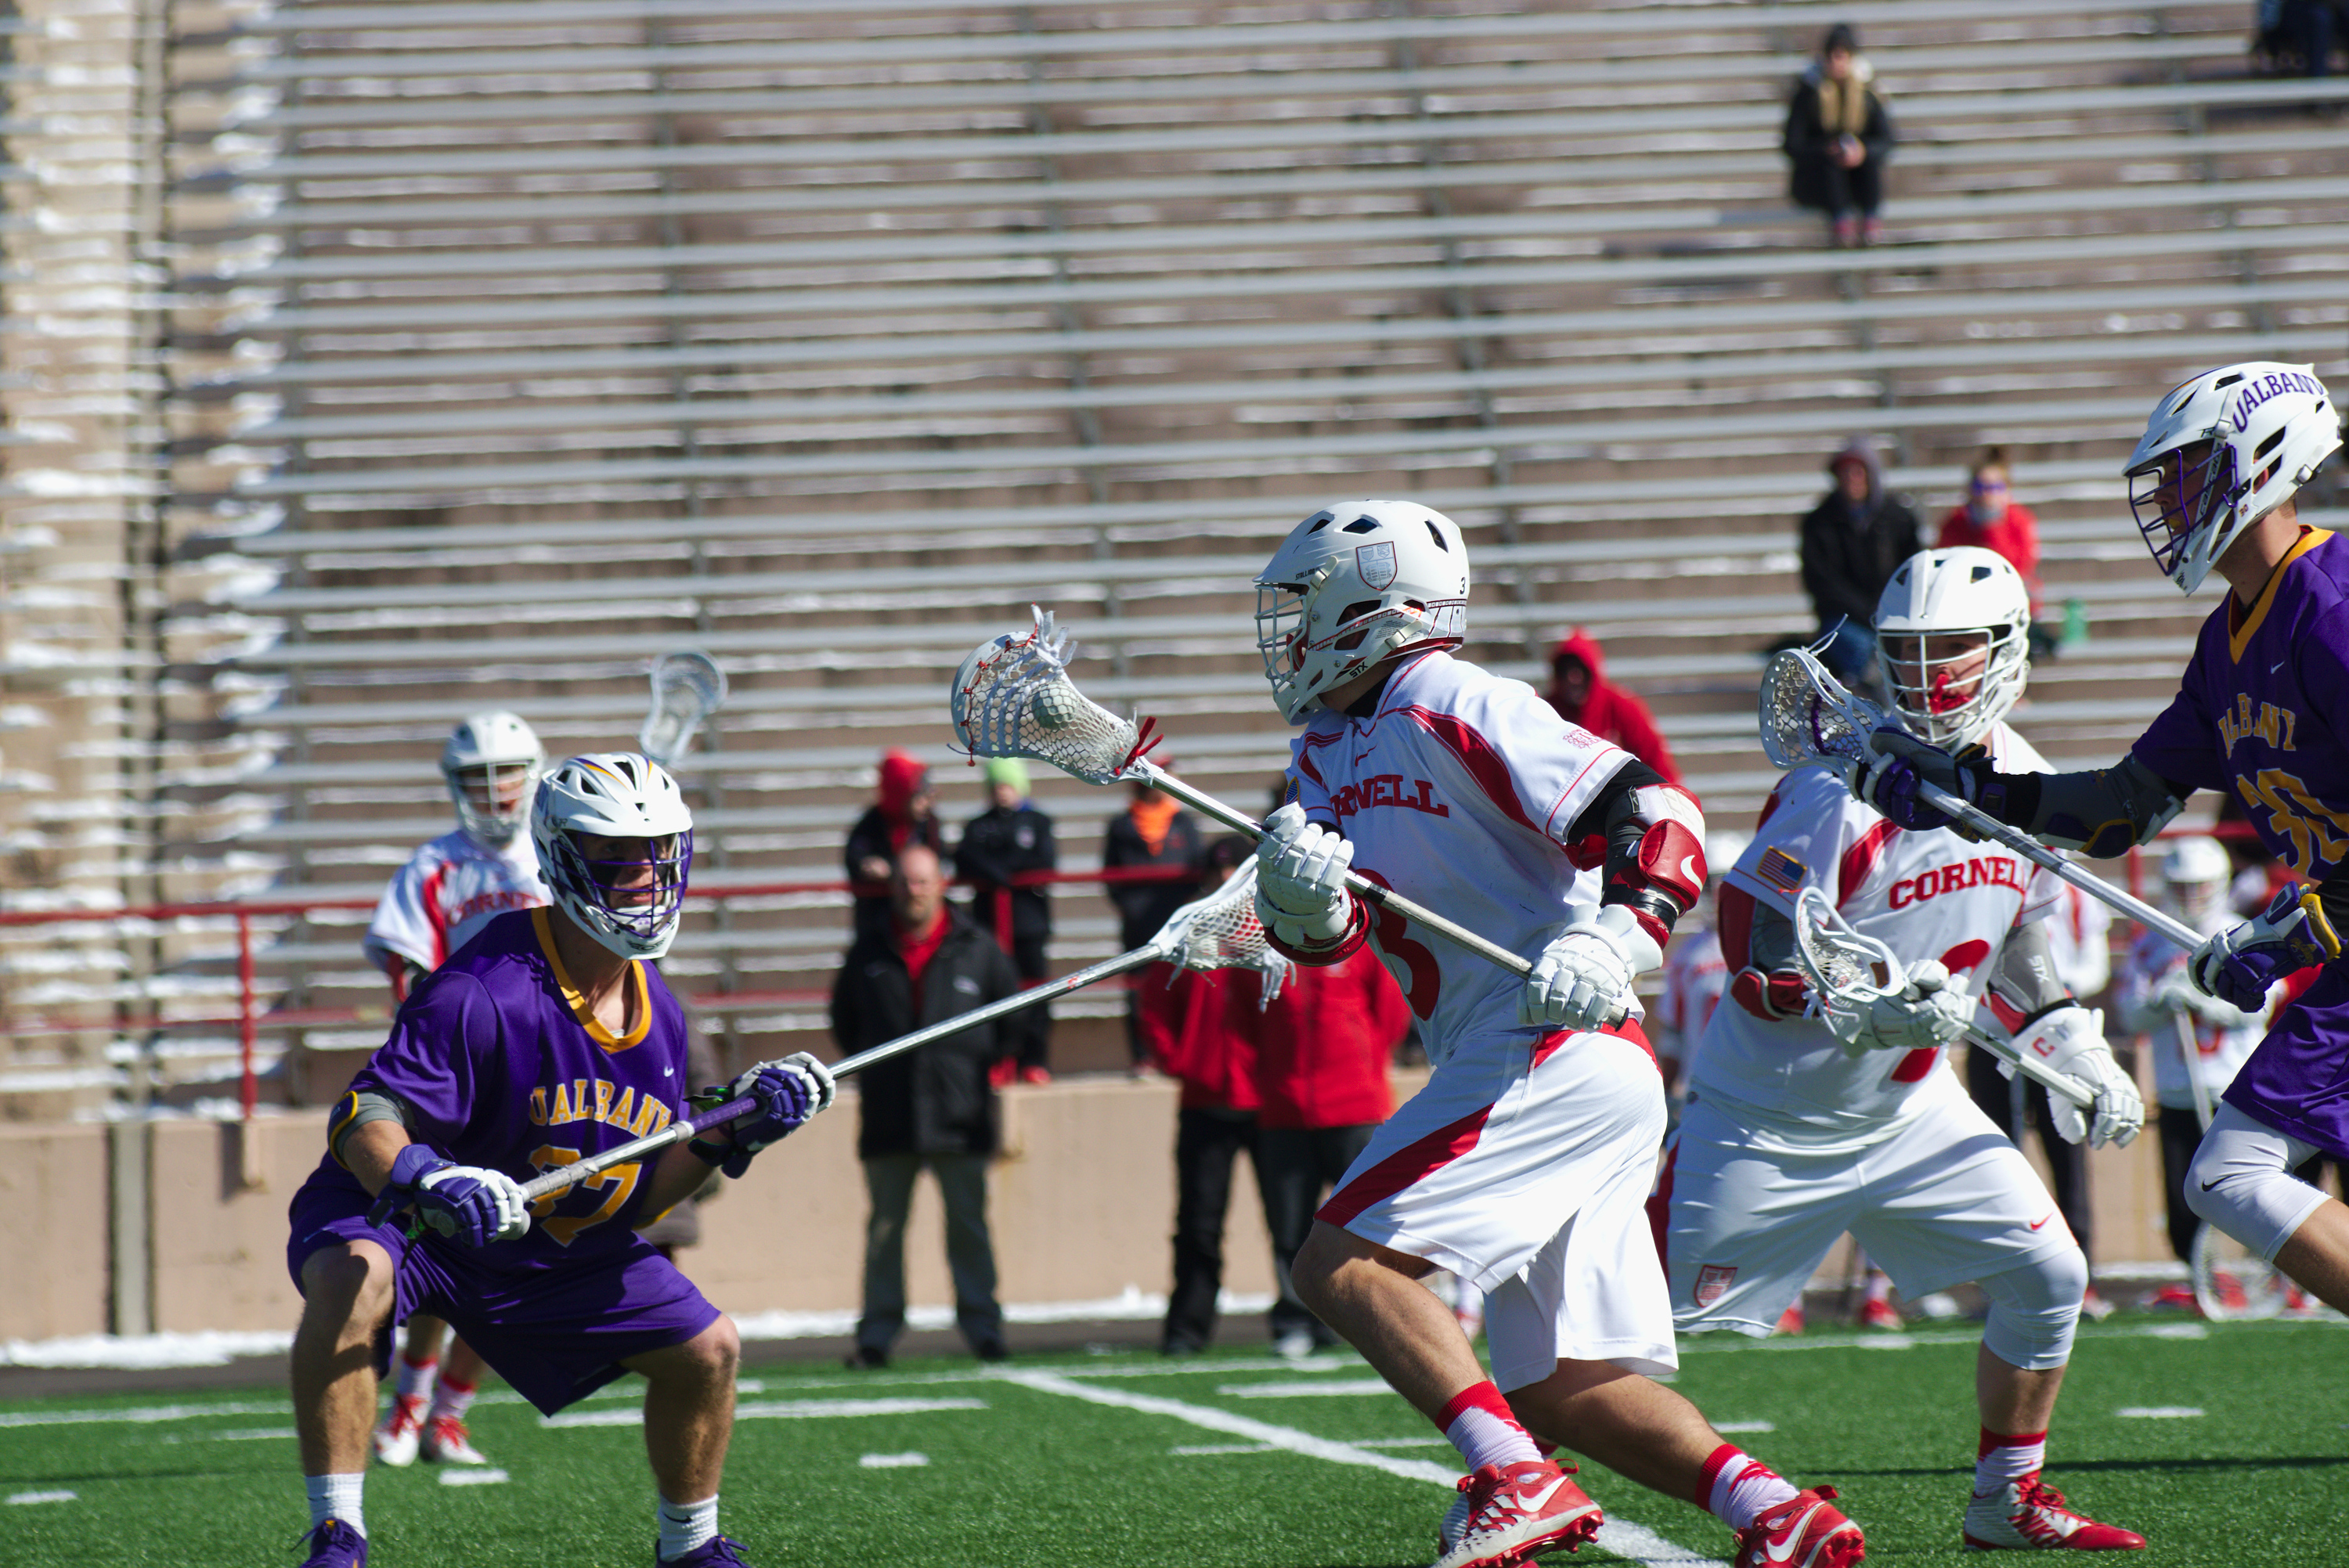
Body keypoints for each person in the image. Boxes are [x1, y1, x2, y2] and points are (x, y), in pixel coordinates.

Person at [1250, 499, 1863, 1568]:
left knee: (1340, 1260)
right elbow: (1341, 934)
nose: (1291, 630)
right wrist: (1305, 907)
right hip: (1538, 1056)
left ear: (1375, 605)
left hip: (1551, 1032)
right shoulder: (1322, 755)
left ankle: (1512, 1475)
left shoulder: (1448, 694)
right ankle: (1778, 1511)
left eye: (1307, 603)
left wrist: (1623, 932)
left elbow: (1657, 809)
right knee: (1558, 1378)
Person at [1853, 360, 2349, 1322]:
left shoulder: (2331, 610)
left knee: (2234, 1171)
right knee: (2235, 1170)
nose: (2168, 498)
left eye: (2188, 471)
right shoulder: (2229, 640)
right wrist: (1971, 786)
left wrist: (2303, 927)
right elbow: (2124, 806)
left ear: (2264, 458)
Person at [1677, 546, 2148, 1552]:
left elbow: (2022, 952)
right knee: (1623, 1329)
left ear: (2010, 650)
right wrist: (1865, 1007)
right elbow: (1751, 959)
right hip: (1769, 1117)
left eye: (1953, 649)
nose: (1929, 674)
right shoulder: (1838, 790)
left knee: (2050, 1276)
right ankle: (1524, 1474)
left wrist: (2076, 1045)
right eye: (1908, 652)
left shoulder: (2025, 788)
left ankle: (2005, 1501)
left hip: (1909, 1109)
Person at [286, 752, 835, 1568]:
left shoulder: (662, 1017)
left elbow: (643, 1197)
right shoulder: (483, 985)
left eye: (658, 856)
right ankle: (339, 1534)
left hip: (535, 1241)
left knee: (709, 1349)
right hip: (415, 1218)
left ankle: (690, 1546)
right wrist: (431, 1177)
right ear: (564, 859)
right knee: (355, 1273)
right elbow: (363, 1114)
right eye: (620, 859)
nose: (645, 879)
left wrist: (733, 1130)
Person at [361, 711, 550, 1471]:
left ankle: (451, 1414)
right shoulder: (436, 864)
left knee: (521, 1250)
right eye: (479, 777)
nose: (496, 791)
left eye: (507, 773)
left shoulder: (556, 850)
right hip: (462, 1075)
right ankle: (410, 1402)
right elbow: (405, 969)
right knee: (451, 1237)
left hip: (548, 1073)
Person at [834, 842, 1022, 1368]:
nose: (911, 892)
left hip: (961, 1118)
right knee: (885, 1232)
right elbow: (845, 1021)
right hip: (889, 1116)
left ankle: (984, 1329)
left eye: (920, 881)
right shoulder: (868, 949)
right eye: (903, 882)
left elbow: (1011, 1023)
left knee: (968, 1227)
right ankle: (877, 1334)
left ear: (941, 883)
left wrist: (966, 1074)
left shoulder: (979, 948)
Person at [2114, 836, 2272, 1284]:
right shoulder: (2152, 942)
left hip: (2236, 1086)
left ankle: (2268, 1277)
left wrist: (2205, 1002)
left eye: (2199, 886)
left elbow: (2263, 1003)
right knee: (2183, 1192)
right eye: (2181, 887)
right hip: (2178, 1083)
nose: (2190, 896)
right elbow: (2130, 1012)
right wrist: (2160, 1004)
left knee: (2251, 1189)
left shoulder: (2246, 932)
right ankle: (2204, 1279)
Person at [1250, 923, 1412, 1360]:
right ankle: (1294, 1320)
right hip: (1284, 1112)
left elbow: (1390, 1016)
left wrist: (1361, 1069)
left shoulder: (1358, 948)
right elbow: (1247, 1023)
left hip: (1354, 1108)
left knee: (1366, 1224)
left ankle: (1365, 1319)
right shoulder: (1268, 955)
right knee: (1288, 1226)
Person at [1141, 836, 1268, 1356]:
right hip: (1205, 1098)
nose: (1222, 880)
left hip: (1268, 1100)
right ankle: (1188, 1328)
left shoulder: (1275, 927)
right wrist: (1181, 1061)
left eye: (1231, 870)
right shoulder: (1187, 929)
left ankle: (1303, 1323)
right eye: (1215, 870)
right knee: (1197, 1224)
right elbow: (1154, 1003)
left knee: (1292, 1221)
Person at [954, 756, 1058, 1083]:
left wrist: (1001, 870)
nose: (1002, 792)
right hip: (989, 926)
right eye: (996, 786)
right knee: (993, 992)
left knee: (1035, 990)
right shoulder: (978, 825)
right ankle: (998, 1060)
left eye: (1008, 785)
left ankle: (1034, 1060)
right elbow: (964, 859)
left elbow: (1042, 861)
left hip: (1028, 925)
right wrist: (1001, 872)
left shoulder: (1038, 822)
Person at [1102, 766, 1203, 1070]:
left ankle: (1181, 1051)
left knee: (1181, 982)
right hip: (1138, 922)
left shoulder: (1184, 823)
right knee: (1138, 987)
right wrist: (1131, 906)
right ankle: (1142, 1056)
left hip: (1176, 919)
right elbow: (1111, 874)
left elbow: (1196, 870)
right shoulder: (1121, 825)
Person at [1800, 437, 1922, 684]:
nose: (1852, 479)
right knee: (1845, 639)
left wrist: (1886, 608)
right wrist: (1864, 611)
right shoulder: (1818, 523)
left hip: (1895, 615)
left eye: (1858, 472)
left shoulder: (1898, 518)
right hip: (1845, 619)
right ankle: (1881, 680)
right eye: (1845, 472)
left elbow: (1912, 570)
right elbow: (1821, 580)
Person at [1654, 828, 1749, 1099]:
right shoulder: (1688, 955)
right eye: (1710, 883)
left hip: (1754, 1082)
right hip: (1703, 1088)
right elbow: (1673, 1034)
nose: (1717, 893)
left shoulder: (1761, 942)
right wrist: (1667, 1092)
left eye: (1725, 882)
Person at [1782, 22, 1895, 247]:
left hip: (1858, 182)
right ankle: (1841, 220)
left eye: (1842, 55)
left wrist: (1862, 152)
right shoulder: (1808, 94)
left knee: (1867, 158)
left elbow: (1886, 141)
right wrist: (1826, 150)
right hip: (1817, 182)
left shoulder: (1868, 93)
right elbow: (1792, 145)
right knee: (1831, 161)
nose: (1837, 62)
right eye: (1832, 55)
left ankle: (1870, 217)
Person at [1545, 629, 1683, 786]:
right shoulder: (1548, 713)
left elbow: (1656, 761)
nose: (1573, 679)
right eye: (1565, 670)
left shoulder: (1620, 706)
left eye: (1580, 670)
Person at [1937, 449, 2045, 628]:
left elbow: (2020, 565)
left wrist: (1991, 526)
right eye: (1981, 487)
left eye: (1995, 487)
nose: (1987, 494)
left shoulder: (2020, 520)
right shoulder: (1956, 522)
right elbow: (1946, 561)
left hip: (2013, 603)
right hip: (1967, 606)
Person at [845, 748, 941, 943]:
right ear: (901, 795)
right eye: (918, 797)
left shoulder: (929, 825)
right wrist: (868, 867)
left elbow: (943, 859)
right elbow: (854, 858)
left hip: (922, 923)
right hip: (879, 923)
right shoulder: (871, 825)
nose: (925, 804)